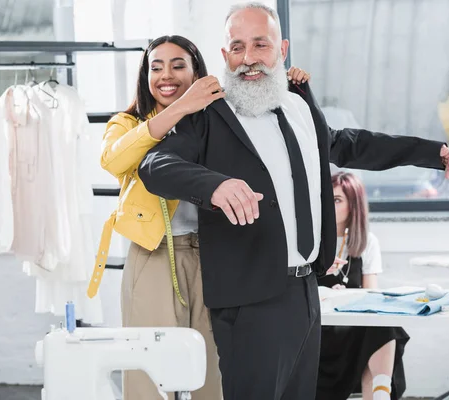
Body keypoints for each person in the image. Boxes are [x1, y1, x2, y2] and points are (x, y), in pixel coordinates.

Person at [137, 3, 449, 399]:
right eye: (237, 48)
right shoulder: (207, 114)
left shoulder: (298, 105)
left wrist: (429, 152)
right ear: (224, 56)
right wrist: (214, 185)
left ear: (282, 48)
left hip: (306, 289)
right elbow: (155, 165)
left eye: (260, 45)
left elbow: (349, 145)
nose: (248, 59)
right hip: (249, 299)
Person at [88, 34, 311, 400]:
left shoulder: (218, 122)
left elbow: (265, 113)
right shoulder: (128, 124)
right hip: (155, 254)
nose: (166, 76)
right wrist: (180, 109)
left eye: (179, 66)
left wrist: (292, 84)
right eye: (156, 67)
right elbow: (113, 160)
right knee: (148, 368)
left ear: (197, 73)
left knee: (213, 368)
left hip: (216, 254)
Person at [317, 171, 410, 400]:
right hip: (319, 331)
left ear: (353, 205)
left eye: (337, 200)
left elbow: (372, 296)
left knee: (384, 325)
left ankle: (379, 393)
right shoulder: (312, 241)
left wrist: (348, 297)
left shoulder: (367, 242)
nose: (329, 205)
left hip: (352, 328)